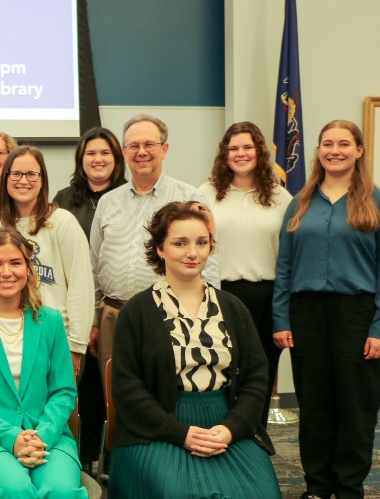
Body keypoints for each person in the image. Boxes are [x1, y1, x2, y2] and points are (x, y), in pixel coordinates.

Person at [109, 201, 279, 498]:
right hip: (156, 428)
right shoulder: (136, 312)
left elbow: (256, 378)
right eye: (180, 243)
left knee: (261, 493)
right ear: (160, 249)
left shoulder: (233, 308)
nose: (193, 253)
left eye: (202, 243)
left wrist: (231, 428)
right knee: (178, 493)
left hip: (225, 424)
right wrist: (180, 433)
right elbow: (127, 389)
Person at [272, 120, 380, 499]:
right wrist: (281, 318)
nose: (335, 150)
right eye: (327, 143)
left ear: (359, 150)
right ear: (318, 150)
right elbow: (284, 267)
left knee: (355, 408)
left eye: (344, 143)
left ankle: (348, 487)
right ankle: (317, 486)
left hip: (358, 316)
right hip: (306, 315)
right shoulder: (301, 202)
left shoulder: (379, 203)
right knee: (314, 406)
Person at [0, 228, 86, 499]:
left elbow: (64, 392)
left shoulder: (51, 321)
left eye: (15, 263)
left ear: (28, 269)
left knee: (61, 491)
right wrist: (12, 438)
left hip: (49, 437)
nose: (6, 272)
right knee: (15, 490)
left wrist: (41, 436)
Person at [89, 114, 219, 382]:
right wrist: (93, 320)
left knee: (167, 392)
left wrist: (208, 318)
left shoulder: (190, 198)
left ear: (164, 149)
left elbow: (210, 265)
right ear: (124, 153)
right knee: (116, 398)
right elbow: (93, 266)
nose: (141, 152)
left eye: (149, 144)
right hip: (114, 316)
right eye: (134, 146)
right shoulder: (107, 202)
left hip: (172, 314)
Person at [198, 122, 293, 425]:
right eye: (234, 148)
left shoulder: (281, 197)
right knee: (219, 372)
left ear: (260, 152)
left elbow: (288, 256)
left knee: (258, 375)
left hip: (267, 297)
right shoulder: (206, 194)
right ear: (224, 154)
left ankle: (255, 436)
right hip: (219, 295)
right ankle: (220, 437)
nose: (241, 153)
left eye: (247, 147)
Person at [51, 127, 127, 470]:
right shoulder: (63, 200)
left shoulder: (127, 196)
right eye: (90, 154)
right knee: (83, 392)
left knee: (115, 388)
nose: (98, 159)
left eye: (105, 153)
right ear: (81, 161)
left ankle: (113, 461)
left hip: (115, 306)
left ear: (117, 158)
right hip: (75, 307)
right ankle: (81, 460)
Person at [0, 146, 94, 381]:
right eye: (16, 174)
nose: (23, 181)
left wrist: (76, 345)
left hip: (56, 339)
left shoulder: (62, 222)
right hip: (6, 340)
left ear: (42, 180)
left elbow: (80, 285)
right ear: (5, 179)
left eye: (31, 174)